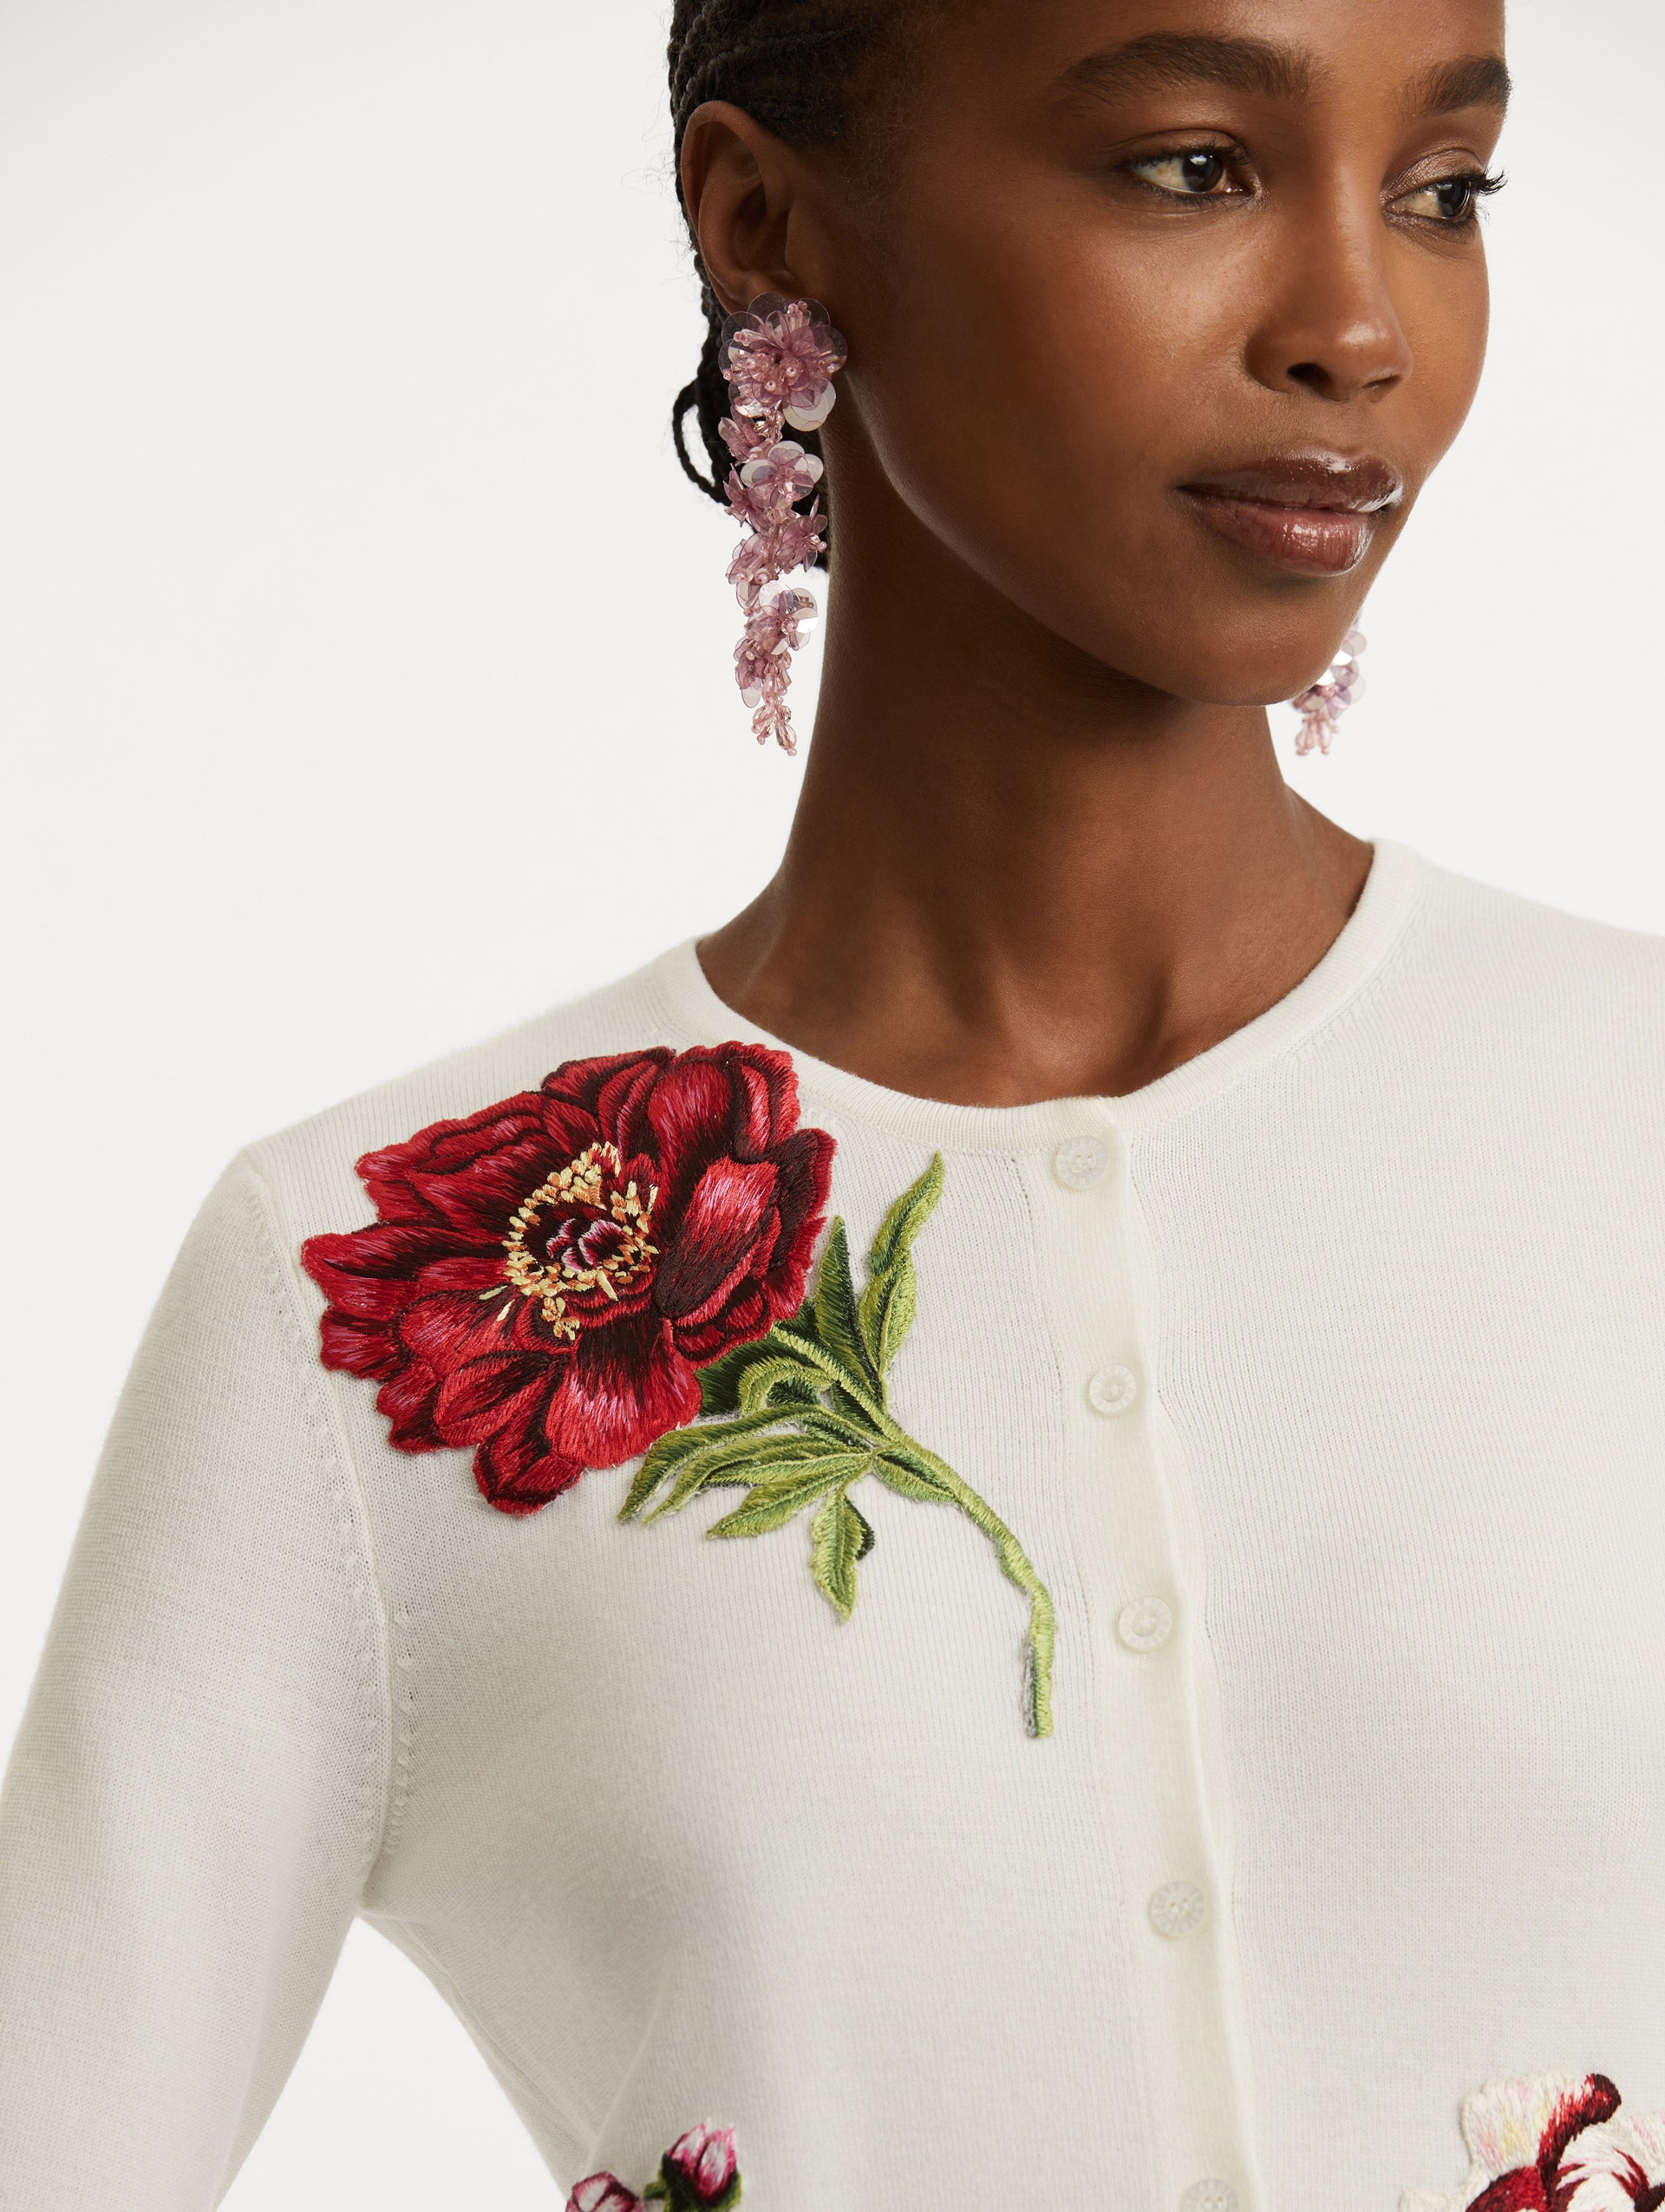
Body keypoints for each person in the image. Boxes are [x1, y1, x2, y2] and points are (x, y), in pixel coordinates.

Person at [4, 3, 1664, 2209]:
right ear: (764, 220)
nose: (1361, 327)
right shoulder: (372, 1298)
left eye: (1442, 190)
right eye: (1193, 166)